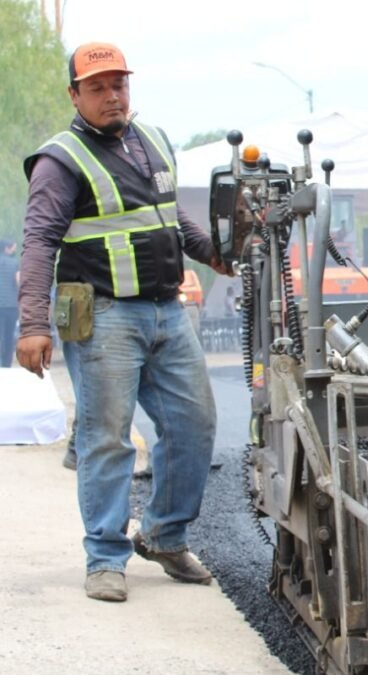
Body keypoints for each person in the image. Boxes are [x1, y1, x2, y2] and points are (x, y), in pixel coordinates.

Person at [17, 42, 229, 603]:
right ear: (75, 94)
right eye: (97, 87)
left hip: (166, 309)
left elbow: (167, 214)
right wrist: (32, 324)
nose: (112, 95)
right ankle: (105, 556)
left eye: (119, 84)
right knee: (106, 439)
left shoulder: (152, 139)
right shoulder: (59, 160)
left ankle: (162, 534)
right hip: (105, 314)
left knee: (194, 425)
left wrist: (209, 251)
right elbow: (38, 242)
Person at [0, 239, 18, 367]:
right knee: (9, 333)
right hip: (11, 306)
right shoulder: (15, 262)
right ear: (6, 248)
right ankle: (6, 363)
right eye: (13, 248)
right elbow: (18, 281)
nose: (14, 250)